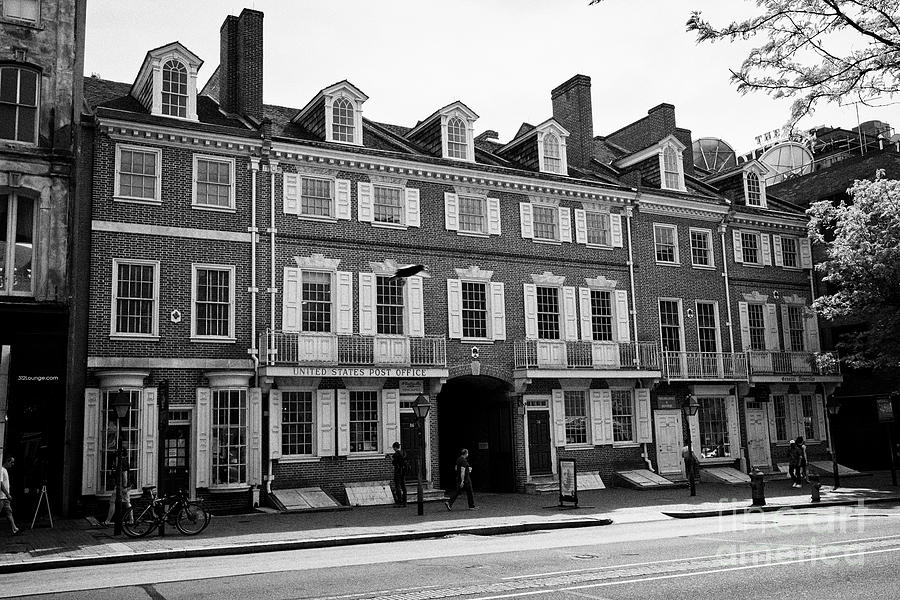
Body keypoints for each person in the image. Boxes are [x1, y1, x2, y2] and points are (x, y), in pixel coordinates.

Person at [102, 449, 132, 526]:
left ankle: (107, 521)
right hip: (122, 485)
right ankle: (131, 520)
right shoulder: (124, 461)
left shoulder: (122, 462)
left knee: (113, 502)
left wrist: (124, 487)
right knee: (127, 502)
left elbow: (124, 475)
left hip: (121, 486)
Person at [1, 456, 19, 535]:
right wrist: (7, 494)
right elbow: (0, 484)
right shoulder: (1, 470)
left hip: (5, 498)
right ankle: (14, 528)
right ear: (7, 461)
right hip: (1, 497)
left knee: (9, 512)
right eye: (11, 462)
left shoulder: (5, 470)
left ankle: (14, 528)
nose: (12, 464)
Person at [390, 442, 407, 506]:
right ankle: (404, 501)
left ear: (394, 447)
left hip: (398, 471)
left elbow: (394, 463)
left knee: (397, 486)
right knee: (403, 486)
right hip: (403, 471)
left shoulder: (395, 455)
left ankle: (399, 501)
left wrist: (392, 459)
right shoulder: (403, 453)